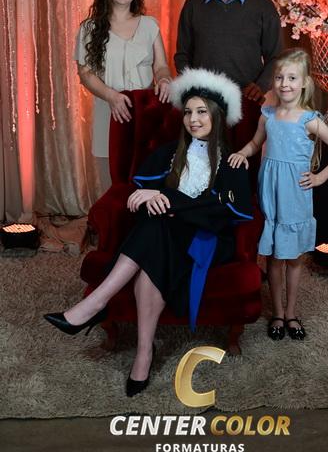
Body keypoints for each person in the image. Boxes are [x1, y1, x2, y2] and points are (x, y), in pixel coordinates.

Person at [44, 68, 253, 396]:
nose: (193, 119)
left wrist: (166, 198)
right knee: (154, 234)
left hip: (206, 242)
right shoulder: (169, 154)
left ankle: (97, 302)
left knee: (158, 225)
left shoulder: (232, 162)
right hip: (165, 238)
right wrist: (147, 197)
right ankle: (143, 352)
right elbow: (137, 193)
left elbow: (226, 213)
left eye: (201, 112)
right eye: (188, 112)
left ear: (217, 115)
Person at [228, 49, 328, 340]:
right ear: (273, 81)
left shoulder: (309, 120)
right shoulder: (267, 115)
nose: (285, 84)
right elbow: (255, 143)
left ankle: (292, 312)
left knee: (294, 257)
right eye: (280, 77)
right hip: (270, 192)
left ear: (305, 83)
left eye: (292, 78)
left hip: (295, 195)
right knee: (274, 256)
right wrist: (242, 153)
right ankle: (277, 313)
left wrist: (320, 177)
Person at [75, 0, 172, 191]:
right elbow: (85, 73)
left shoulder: (149, 25)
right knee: (112, 185)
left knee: (146, 182)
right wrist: (111, 96)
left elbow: (161, 66)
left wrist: (165, 79)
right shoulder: (89, 28)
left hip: (145, 113)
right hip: (109, 113)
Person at [174, 0, 281, 103]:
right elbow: (182, 55)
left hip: (248, 101)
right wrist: (193, 86)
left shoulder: (263, 6)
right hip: (203, 102)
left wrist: (260, 86)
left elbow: (276, 57)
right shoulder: (193, 4)